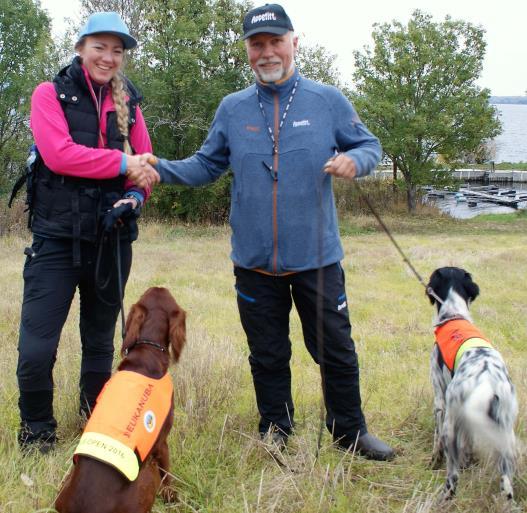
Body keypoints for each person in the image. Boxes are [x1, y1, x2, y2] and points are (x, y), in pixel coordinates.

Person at [131, 3, 393, 460]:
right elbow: (207, 164)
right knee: (267, 355)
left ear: (295, 42)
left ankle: (350, 432)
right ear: (248, 51)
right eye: (258, 44)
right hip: (253, 263)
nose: (267, 52)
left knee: (335, 350)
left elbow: (369, 144)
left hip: (318, 260)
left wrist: (357, 161)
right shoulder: (232, 108)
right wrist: (161, 169)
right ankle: (276, 428)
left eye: (276, 41)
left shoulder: (327, 100)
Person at [16, 11, 159, 452]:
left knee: (100, 342)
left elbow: (146, 164)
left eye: (117, 50)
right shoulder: (50, 94)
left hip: (111, 239)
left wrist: (135, 197)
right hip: (57, 239)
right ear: (80, 48)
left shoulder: (129, 102)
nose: (108, 56)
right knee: (37, 347)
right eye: (99, 46)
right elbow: (59, 155)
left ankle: (94, 422)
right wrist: (121, 164)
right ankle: (37, 428)